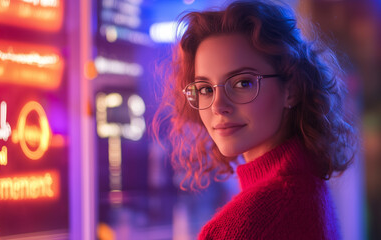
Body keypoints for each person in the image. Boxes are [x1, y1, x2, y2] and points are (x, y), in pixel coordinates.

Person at [152, 0, 357, 239]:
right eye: (206, 88)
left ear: (291, 89)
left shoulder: (240, 227)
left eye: (242, 83)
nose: (218, 106)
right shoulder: (307, 186)